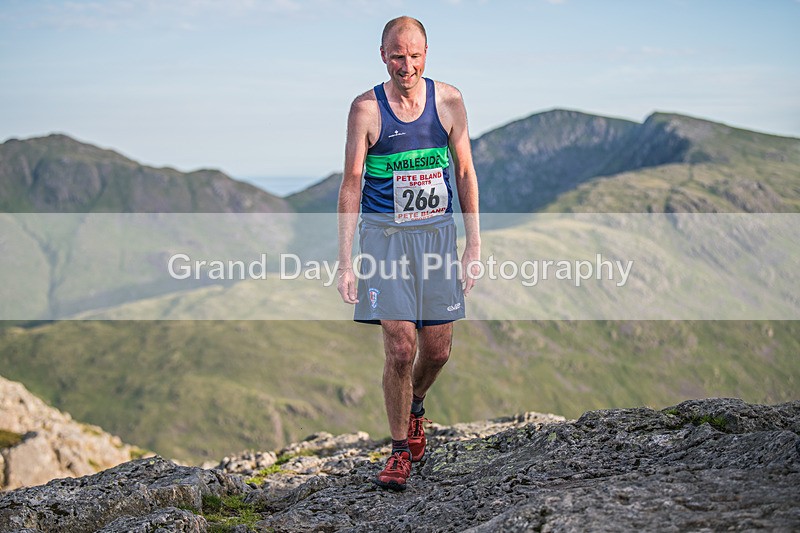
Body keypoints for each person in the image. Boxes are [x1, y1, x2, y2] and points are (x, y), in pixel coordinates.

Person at [337, 16, 480, 491]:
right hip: (384, 241)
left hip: (437, 239)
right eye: (397, 55)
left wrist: (474, 244)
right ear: (383, 55)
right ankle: (399, 451)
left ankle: (415, 405)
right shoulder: (366, 110)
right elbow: (352, 183)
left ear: (426, 55)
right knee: (401, 346)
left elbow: (464, 173)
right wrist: (346, 260)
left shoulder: (450, 102)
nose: (406, 65)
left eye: (414, 55)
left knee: (436, 351)